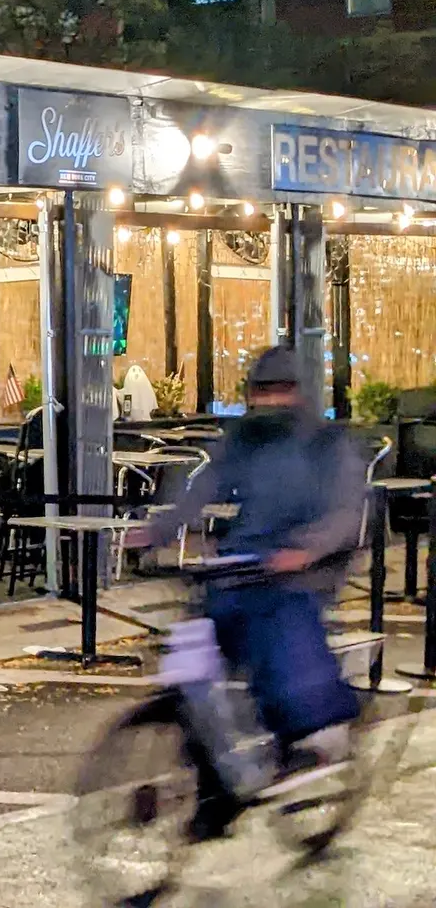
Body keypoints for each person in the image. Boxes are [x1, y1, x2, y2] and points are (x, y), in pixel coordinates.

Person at [147, 344, 365, 837]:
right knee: (198, 668)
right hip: (244, 562)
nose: (270, 401)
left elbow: (346, 513)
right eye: (261, 391)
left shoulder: (328, 444)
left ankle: (297, 746)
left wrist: (306, 551)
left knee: (282, 658)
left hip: (300, 570)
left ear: (300, 392)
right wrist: (161, 528)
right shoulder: (244, 439)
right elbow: (204, 486)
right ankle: (214, 787)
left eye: (280, 390)